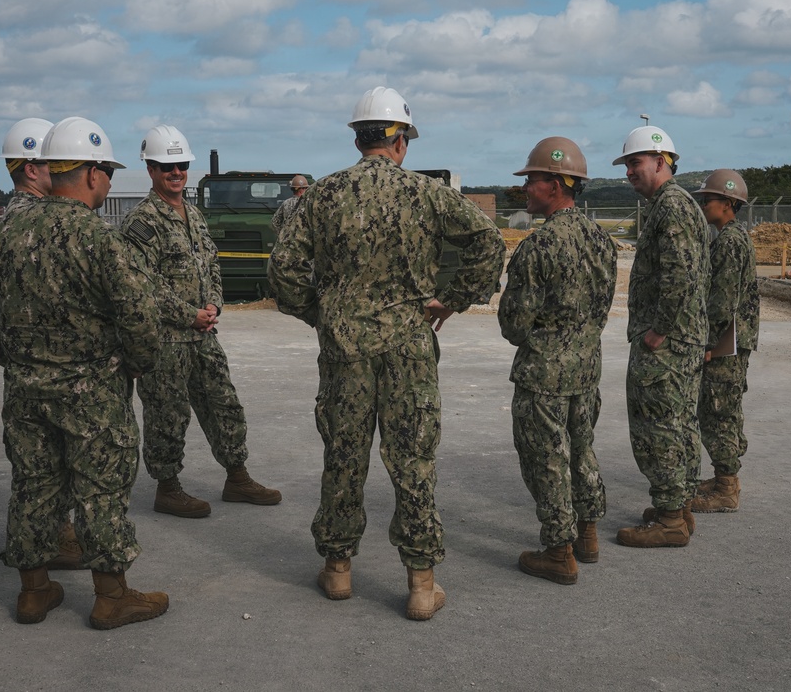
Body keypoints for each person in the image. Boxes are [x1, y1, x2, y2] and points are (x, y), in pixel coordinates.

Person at [268, 86, 505, 620]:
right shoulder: (426, 194)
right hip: (408, 347)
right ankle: (421, 583)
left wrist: (321, 313)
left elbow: (282, 271)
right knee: (413, 460)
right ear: (399, 141)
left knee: (343, 456)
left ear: (359, 137)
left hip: (345, 349)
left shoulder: (322, 195)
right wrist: (453, 300)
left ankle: (338, 570)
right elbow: (489, 242)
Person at [0, 116, 169, 629]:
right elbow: (140, 317)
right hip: (91, 392)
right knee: (101, 488)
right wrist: (136, 367)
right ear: (94, 173)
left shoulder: (3, 233)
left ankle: (34, 592)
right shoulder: (99, 239)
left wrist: (18, 362)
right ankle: (111, 596)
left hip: (26, 391)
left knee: (34, 485)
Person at [121, 125, 281, 519]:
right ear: (151, 170)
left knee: (223, 403)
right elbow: (143, 284)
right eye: (166, 167)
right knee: (167, 414)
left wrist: (213, 306)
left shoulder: (192, 214)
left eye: (181, 165)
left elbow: (210, 263)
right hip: (166, 340)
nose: (176, 173)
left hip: (203, 334)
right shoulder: (141, 223)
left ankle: (237, 477)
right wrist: (187, 315)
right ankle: (167, 487)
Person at [498, 137, 617, 583]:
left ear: (557, 184)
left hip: (544, 374)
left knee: (546, 459)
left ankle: (558, 551)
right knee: (582, 451)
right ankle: (587, 534)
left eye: (532, 180)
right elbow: (602, 308)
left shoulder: (539, 247)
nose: (526, 188)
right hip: (586, 370)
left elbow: (513, 325)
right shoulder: (601, 241)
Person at [613, 125, 710, 548]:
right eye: (627, 165)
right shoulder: (672, 204)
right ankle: (679, 507)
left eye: (635, 163)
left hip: (668, 342)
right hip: (682, 338)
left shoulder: (671, 206)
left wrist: (658, 330)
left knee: (659, 427)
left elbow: (680, 275)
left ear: (661, 161)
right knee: (680, 422)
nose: (630, 172)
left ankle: (671, 518)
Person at [0, 117, 85, 571]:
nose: (59, 168)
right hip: (61, 374)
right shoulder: (37, 221)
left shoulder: (8, 223)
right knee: (50, 468)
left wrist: (14, 357)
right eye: (50, 162)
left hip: (25, 371)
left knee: (35, 471)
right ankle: (59, 537)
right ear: (31, 169)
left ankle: (38, 569)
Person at [689, 169, 759, 513]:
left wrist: (707, 344)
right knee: (724, 409)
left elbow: (722, 302)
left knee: (718, 411)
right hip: (732, 337)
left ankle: (726, 489)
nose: (703, 204)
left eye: (708, 199)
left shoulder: (730, 241)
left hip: (726, 340)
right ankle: (723, 477)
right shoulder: (730, 236)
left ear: (728, 203)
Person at [1, 118, 53, 218]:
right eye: (54, 164)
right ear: (31, 171)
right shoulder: (42, 218)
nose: (63, 171)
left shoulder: (17, 213)